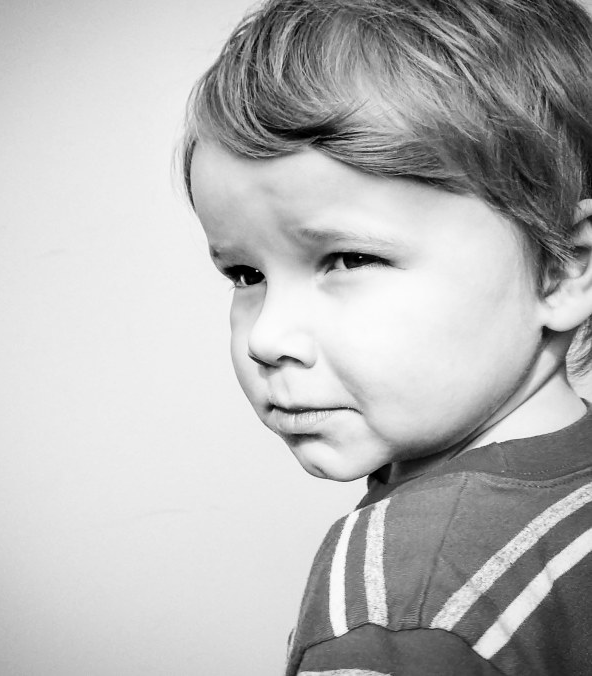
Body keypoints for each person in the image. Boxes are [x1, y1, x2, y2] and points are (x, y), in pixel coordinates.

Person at [180, 0, 592, 673]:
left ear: (563, 268)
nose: (267, 337)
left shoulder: (402, 604)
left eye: (348, 259)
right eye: (246, 274)